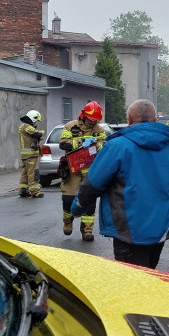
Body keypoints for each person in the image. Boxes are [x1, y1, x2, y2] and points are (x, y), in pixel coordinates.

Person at [72, 99, 169, 269]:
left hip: (127, 230)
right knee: (149, 271)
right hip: (160, 227)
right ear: (155, 119)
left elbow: (93, 184)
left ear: (128, 119)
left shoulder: (115, 146)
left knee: (133, 282)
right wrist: (163, 205)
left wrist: (77, 207)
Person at [59, 101, 108, 240]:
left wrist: (95, 144)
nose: (94, 123)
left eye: (96, 121)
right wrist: (82, 142)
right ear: (84, 116)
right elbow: (63, 143)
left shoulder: (99, 130)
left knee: (90, 201)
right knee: (68, 199)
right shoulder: (70, 126)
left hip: (91, 170)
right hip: (73, 169)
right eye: (92, 120)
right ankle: (67, 222)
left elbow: (104, 144)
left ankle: (87, 231)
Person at [18, 110, 45, 198]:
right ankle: (35, 191)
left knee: (25, 173)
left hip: (26, 155)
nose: (35, 123)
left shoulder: (23, 126)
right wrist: (42, 132)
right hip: (31, 155)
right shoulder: (26, 126)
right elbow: (37, 134)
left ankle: (23, 190)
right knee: (33, 173)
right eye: (35, 121)